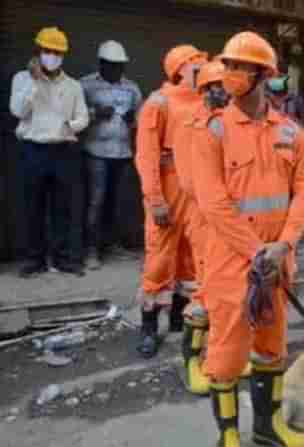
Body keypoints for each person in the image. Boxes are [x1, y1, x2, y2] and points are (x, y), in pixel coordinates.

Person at [192, 31, 304, 447]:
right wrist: (257, 250)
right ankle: (228, 438)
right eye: (226, 65)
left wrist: (285, 244)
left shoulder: (291, 133)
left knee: (271, 347)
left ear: (263, 74)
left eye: (238, 66)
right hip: (232, 264)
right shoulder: (213, 131)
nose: (229, 73)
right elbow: (213, 204)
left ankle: (268, 429)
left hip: (278, 262)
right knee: (226, 356)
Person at [134, 44, 208, 358]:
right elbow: (147, 156)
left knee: (192, 259)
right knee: (159, 259)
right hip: (167, 189)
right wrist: (155, 199)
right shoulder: (158, 103)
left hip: (197, 191)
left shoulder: (208, 101)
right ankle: (149, 326)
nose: (204, 71)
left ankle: (181, 317)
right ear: (180, 69)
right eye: (197, 66)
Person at [10, 27, 89, 278]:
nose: (51, 56)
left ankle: (62, 258)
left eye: (57, 52)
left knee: (62, 209)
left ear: (63, 55)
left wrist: (71, 126)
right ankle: (35, 259)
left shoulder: (73, 85)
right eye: (47, 51)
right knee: (32, 207)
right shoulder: (22, 79)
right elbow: (18, 111)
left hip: (63, 151)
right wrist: (34, 81)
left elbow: (83, 116)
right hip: (33, 150)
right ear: (38, 51)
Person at [177, 59, 229, 396]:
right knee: (205, 289)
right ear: (205, 90)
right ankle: (193, 362)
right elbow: (188, 180)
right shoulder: (192, 125)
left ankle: (222, 355)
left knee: (227, 290)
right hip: (203, 216)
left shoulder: (230, 124)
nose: (222, 92)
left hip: (228, 218)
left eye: (225, 86)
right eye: (216, 87)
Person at [80, 40, 142, 270]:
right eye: (112, 65)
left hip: (122, 153)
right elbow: (72, 115)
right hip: (95, 153)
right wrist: (95, 113)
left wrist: (132, 121)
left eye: (120, 65)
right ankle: (91, 250)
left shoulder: (131, 88)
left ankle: (111, 245)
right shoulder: (86, 85)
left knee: (117, 202)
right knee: (96, 201)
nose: (117, 69)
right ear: (102, 64)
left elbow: (143, 118)